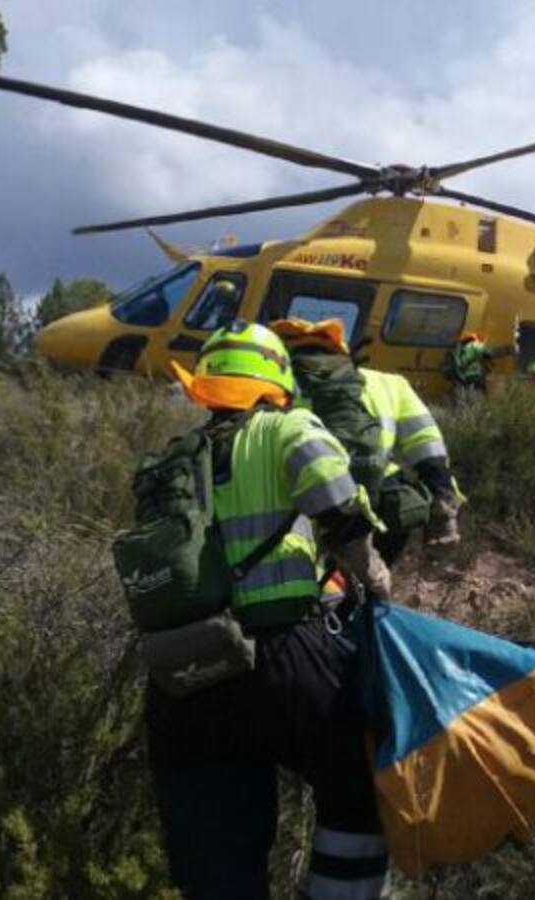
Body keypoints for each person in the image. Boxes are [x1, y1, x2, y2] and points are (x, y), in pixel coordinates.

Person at [149, 320, 392, 900]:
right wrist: (378, 582)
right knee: (358, 793)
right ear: (276, 379)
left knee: (216, 839)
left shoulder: (174, 462)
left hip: (187, 673)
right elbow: (341, 512)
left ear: (203, 386)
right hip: (287, 657)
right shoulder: (291, 429)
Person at [269, 317, 463, 563]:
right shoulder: (389, 384)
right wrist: (443, 501)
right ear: (341, 349)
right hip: (384, 511)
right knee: (368, 590)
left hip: (311, 516)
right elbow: (428, 446)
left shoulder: (279, 389)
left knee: (319, 589)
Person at [444, 330, 515, 392]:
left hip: (459, 380)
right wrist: (507, 349)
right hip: (474, 379)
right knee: (476, 399)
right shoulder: (474, 347)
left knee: (462, 399)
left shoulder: (454, 352)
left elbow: (446, 368)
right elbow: (492, 352)